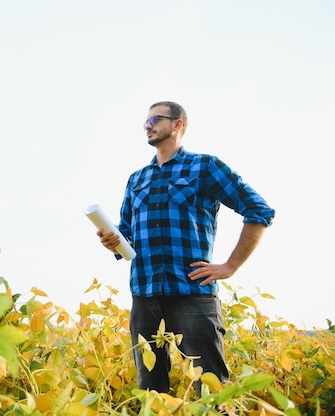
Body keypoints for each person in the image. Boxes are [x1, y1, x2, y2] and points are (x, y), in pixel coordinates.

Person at [97, 101, 275, 393]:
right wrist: (112, 242)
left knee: (211, 386)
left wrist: (230, 266)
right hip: (144, 294)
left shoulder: (205, 167)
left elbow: (259, 210)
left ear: (178, 124)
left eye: (155, 119)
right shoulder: (137, 179)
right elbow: (126, 234)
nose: (148, 125)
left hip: (192, 292)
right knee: (150, 389)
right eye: (145, 121)